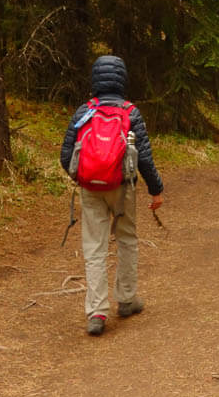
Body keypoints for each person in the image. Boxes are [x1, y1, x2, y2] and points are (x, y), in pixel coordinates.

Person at [59, 55, 164, 336]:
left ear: (95, 80)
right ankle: (127, 299)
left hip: (90, 189)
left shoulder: (85, 111)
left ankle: (97, 312)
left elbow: (65, 155)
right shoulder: (131, 112)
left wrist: (82, 178)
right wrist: (156, 189)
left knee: (94, 248)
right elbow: (145, 159)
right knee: (127, 240)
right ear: (122, 80)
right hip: (123, 188)